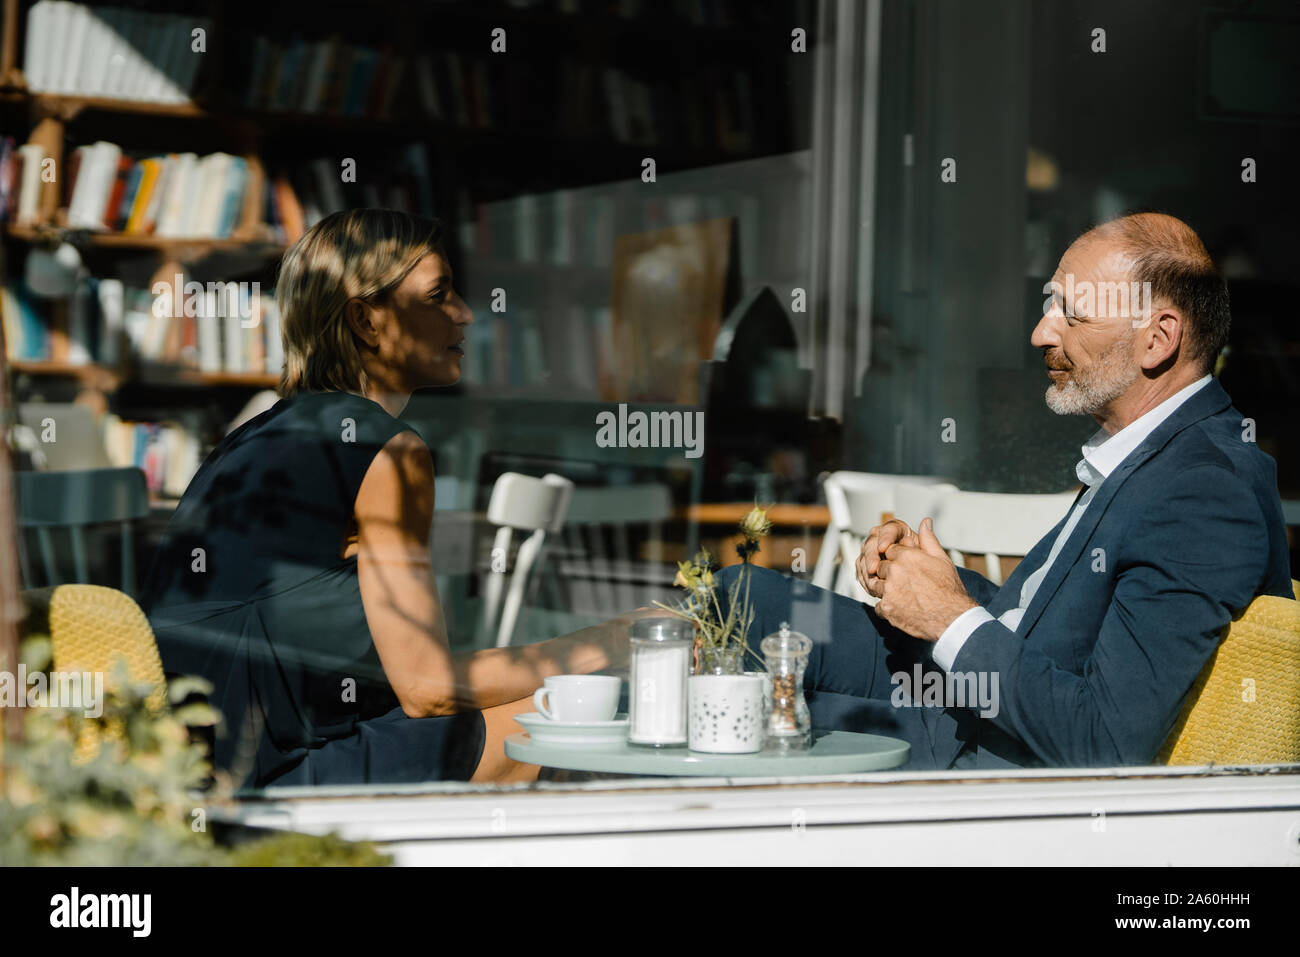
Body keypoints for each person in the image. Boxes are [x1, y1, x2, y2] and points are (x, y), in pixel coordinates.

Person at [721, 212, 1292, 770]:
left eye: (1073, 314)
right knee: (737, 596)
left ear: (1158, 339)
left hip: (986, 749)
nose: (1042, 332)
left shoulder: (1205, 491)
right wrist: (929, 579)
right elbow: (1046, 626)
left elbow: (1107, 742)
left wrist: (947, 618)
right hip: (971, 695)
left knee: (742, 697)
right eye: (1050, 305)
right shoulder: (1151, 451)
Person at [140, 209, 639, 789]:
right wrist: (610, 642)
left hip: (190, 766)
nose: (465, 314)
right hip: (263, 781)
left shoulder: (263, 433)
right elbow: (427, 691)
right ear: (368, 321)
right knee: (565, 722)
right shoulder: (386, 450)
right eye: (438, 296)